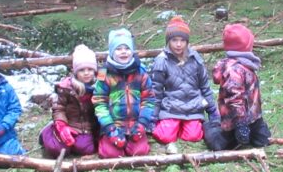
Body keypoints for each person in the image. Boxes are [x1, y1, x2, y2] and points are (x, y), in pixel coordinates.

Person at [151, 16, 219, 152]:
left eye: (182, 40)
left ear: (187, 42)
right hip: (171, 107)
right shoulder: (161, 61)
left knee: (194, 136)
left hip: (193, 106)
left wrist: (212, 111)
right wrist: (152, 116)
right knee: (164, 136)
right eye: (174, 40)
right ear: (168, 41)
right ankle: (173, 125)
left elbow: (204, 87)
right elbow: (156, 91)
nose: (178, 44)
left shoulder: (196, 59)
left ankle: (185, 125)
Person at [93, 28, 156, 158]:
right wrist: (109, 128)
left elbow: (149, 99)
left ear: (132, 51)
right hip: (114, 125)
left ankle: (135, 138)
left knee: (139, 152)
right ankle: (107, 139)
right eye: (118, 48)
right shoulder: (103, 73)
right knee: (111, 154)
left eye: (127, 48)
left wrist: (142, 123)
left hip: (135, 124)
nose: (123, 52)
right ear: (111, 51)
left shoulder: (141, 71)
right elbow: (99, 102)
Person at [206, 23, 271, 150]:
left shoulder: (247, 64)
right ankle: (212, 127)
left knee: (264, 140)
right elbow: (234, 98)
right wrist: (240, 123)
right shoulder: (234, 70)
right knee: (221, 145)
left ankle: (253, 128)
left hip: (253, 116)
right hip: (235, 118)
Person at [39, 44, 99, 159]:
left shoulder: (99, 86)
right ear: (75, 71)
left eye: (90, 69)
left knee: (86, 149)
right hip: (69, 123)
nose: (86, 73)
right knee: (58, 149)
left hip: (87, 127)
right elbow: (59, 108)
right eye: (82, 70)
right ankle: (48, 132)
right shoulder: (67, 87)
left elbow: (107, 70)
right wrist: (62, 125)